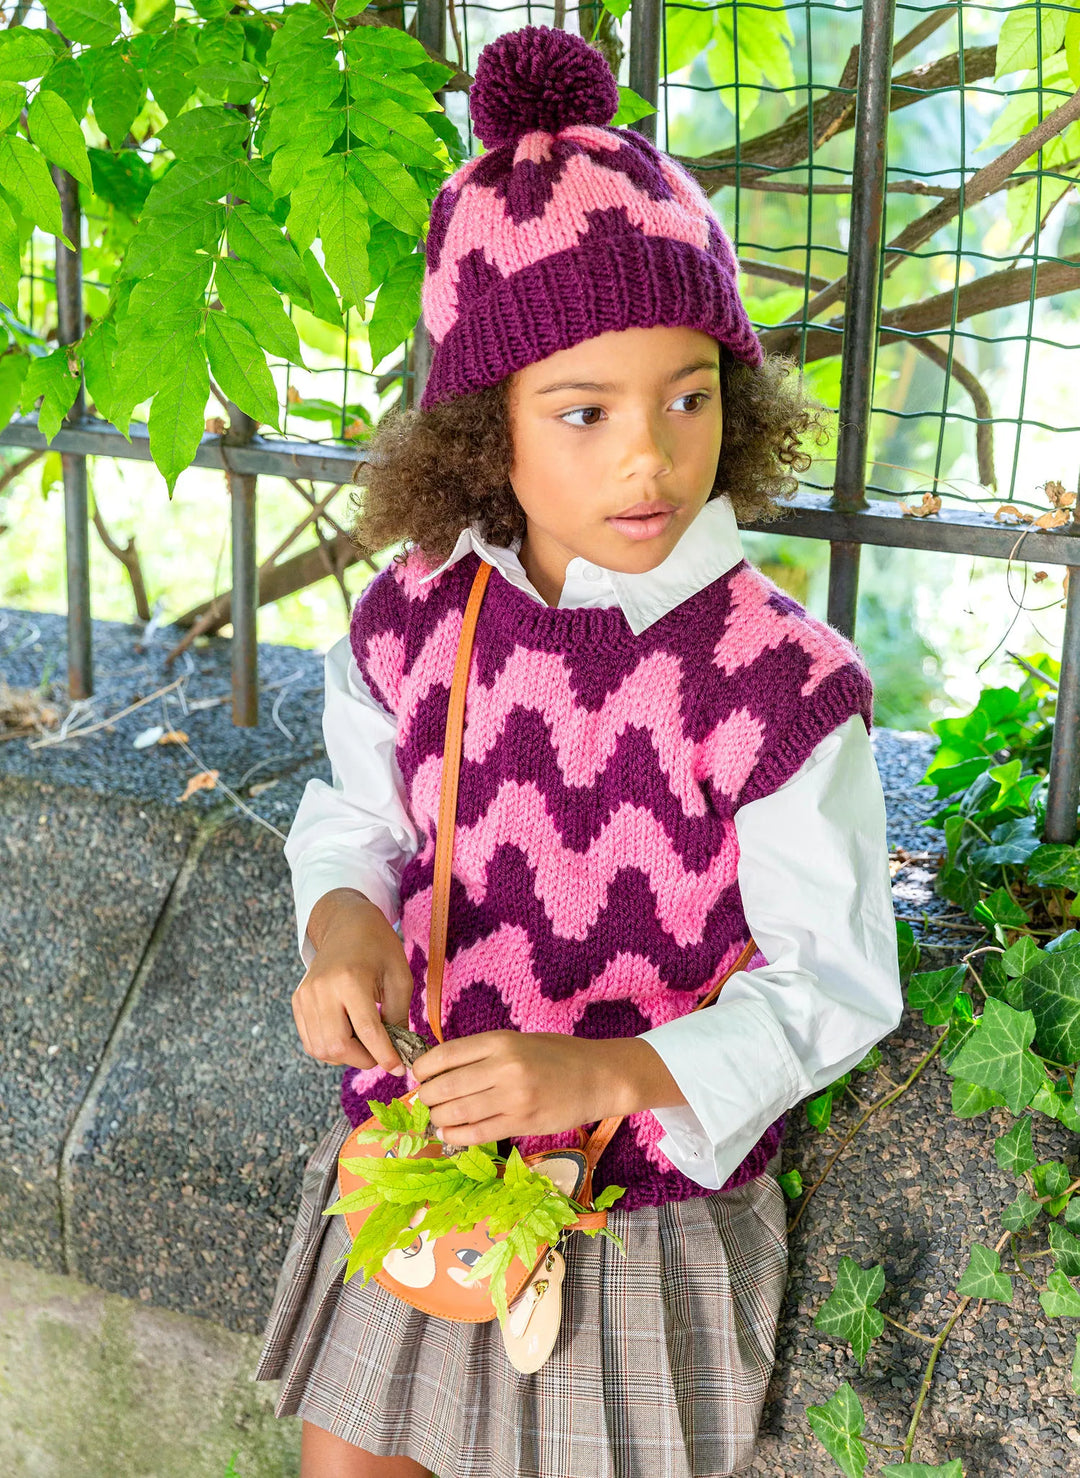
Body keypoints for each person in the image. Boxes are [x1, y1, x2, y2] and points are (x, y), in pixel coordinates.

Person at [253, 23, 904, 1478]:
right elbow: (358, 814)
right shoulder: (418, 615)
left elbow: (838, 981)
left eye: (690, 393)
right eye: (585, 411)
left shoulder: (775, 682)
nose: (648, 455)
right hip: (426, 1167)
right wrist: (343, 921)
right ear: (485, 428)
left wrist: (606, 1073)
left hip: (639, 1217)